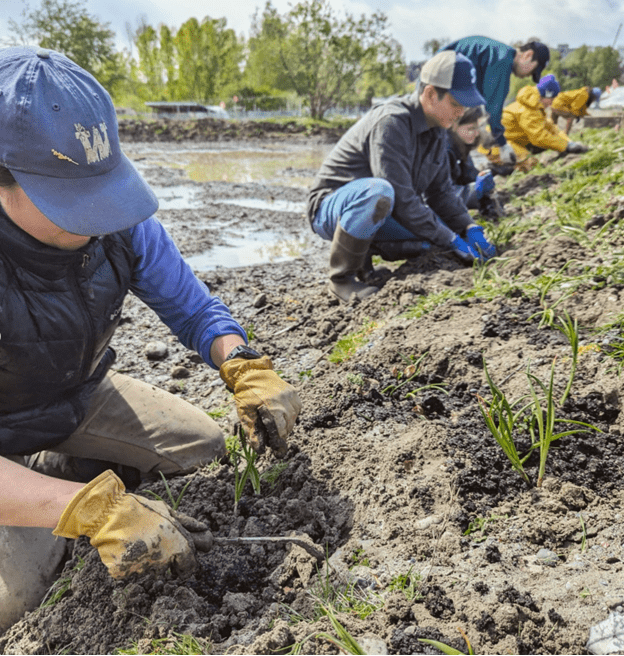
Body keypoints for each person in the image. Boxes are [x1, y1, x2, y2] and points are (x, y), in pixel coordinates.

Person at [0, 46, 302, 631]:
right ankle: (51, 493)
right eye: (68, 201)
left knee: (204, 447)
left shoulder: (122, 224)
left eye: (99, 191)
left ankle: (60, 469)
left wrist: (242, 363)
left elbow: (192, 306)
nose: (95, 219)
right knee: (13, 604)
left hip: (78, 398)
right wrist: (81, 508)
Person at [307, 50, 497, 303]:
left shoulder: (438, 129)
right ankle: (341, 280)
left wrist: (466, 226)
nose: (461, 112)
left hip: (380, 209)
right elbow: (401, 197)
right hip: (333, 208)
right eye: (455, 103)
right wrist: (451, 239)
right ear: (430, 94)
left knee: (435, 231)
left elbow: (440, 192)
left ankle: (368, 254)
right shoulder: (392, 123)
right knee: (380, 192)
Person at [443, 36, 551, 168]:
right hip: (441, 83)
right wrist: (502, 144)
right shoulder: (503, 61)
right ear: (528, 55)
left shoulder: (498, 53)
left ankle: (460, 173)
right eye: (533, 70)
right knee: (446, 137)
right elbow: (493, 107)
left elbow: (483, 100)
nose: (529, 76)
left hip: (442, 80)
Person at [483, 74, 589, 172]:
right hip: (495, 144)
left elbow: (551, 128)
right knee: (530, 164)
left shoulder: (535, 105)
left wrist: (569, 142)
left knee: (537, 155)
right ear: (546, 95)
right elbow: (539, 137)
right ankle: (498, 169)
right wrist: (566, 146)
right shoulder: (528, 110)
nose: (552, 102)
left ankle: (506, 165)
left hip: (509, 140)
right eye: (552, 99)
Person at [445, 105, 502, 218]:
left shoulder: (460, 144)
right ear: (454, 126)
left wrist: (485, 181)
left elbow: (468, 173)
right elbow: (440, 193)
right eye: (471, 129)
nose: (476, 134)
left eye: (477, 128)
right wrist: (476, 191)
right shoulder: (444, 149)